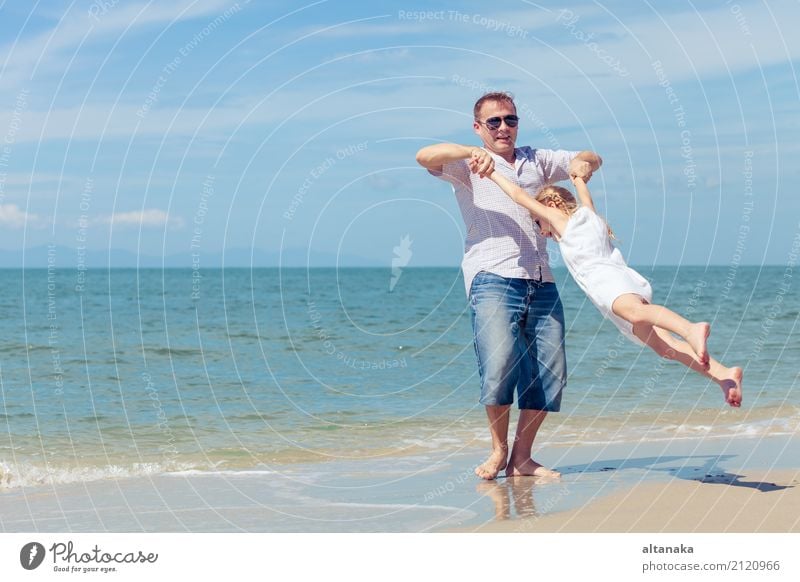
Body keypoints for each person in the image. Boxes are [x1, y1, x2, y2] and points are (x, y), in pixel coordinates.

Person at [415, 91, 602, 480]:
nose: (503, 127)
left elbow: (588, 157)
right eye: (494, 121)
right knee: (499, 364)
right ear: (479, 127)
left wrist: (585, 164)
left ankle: (522, 458)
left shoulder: (537, 159)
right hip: (491, 277)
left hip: (541, 279)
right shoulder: (467, 163)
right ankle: (498, 450)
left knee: (550, 371)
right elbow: (424, 156)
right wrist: (469, 151)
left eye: (510, 120)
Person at [486, 169, 743, 407]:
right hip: (621, 279)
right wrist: (576, 177)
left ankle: (691, 328)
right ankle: (724, 375)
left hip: (608, 282)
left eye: (536, 221)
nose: (541, 232)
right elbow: (584, 191)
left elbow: (518, 195)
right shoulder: (590, 214)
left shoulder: (560, 219)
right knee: (665, 348)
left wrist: (492, 173)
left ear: (551, 206)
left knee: (635, 313)